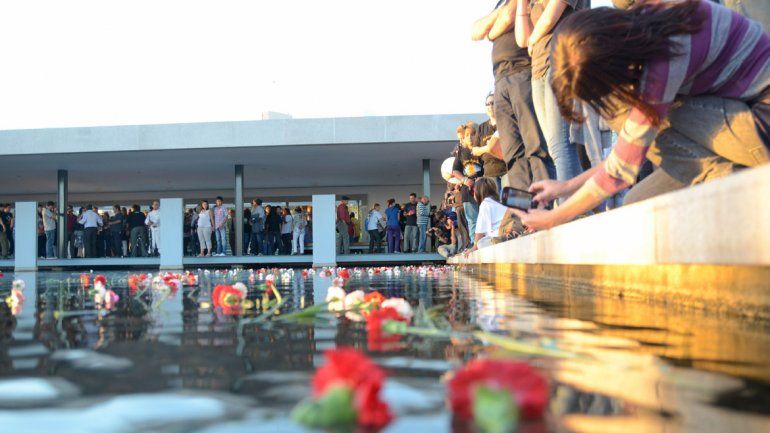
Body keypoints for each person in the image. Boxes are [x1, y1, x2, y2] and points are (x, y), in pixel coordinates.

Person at [514, 1, 770, 231]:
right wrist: (566, 187)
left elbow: (622, 165)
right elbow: (629, 150)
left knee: (623, 110)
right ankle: (717, 179)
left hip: (761, 123)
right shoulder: (643, 32)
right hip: (736, 121)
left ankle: (726, 187)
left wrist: (555, 217)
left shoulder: (665, 55)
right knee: (637, 203)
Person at [472, 0, 551, 192]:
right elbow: (476, 31)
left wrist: (492, 30)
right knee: (512, 150)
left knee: (535, 144)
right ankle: (522, 203)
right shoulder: (502, 3)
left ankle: (545, 201)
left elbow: (507, 17)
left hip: (523, 72)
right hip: (500, 79)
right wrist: (497, 19)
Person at [515, 0, 589, 185]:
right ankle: (574, 198)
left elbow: (550, 18)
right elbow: (522, 39)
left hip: (562, 61)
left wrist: (533, 39)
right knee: (555, 148)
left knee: (562, 144)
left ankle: (570, 201)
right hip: (538, 70)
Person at [452, 123, 483, 247]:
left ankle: (485, 242)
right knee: (472, 220)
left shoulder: (481, 149)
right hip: (467, 190)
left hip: (483, 189)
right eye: (467, 135)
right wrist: (464, 180)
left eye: (473, 134)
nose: (470, 137)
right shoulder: (460, 152)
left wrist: (481, 178)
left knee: (484, 217)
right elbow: (455, 170)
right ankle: (474, 244)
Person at [465, 178, 513, 254]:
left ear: (478, 192)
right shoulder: (499, 201)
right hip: (508, 230)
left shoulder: (485, 204)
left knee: (481, 243)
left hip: (500, 234)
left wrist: (474, 247)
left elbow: (479, 232)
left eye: (473, 192)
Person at [472, 93, 508, 193]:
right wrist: (489, 147)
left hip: (507, 170)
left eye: (493, 103)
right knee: (494, 201)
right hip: (490, 172)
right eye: (487, 104)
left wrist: (492, 145)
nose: (490, 106)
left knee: (507, 200)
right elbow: (475, 150)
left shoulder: (506, 123)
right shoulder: (481, 127)